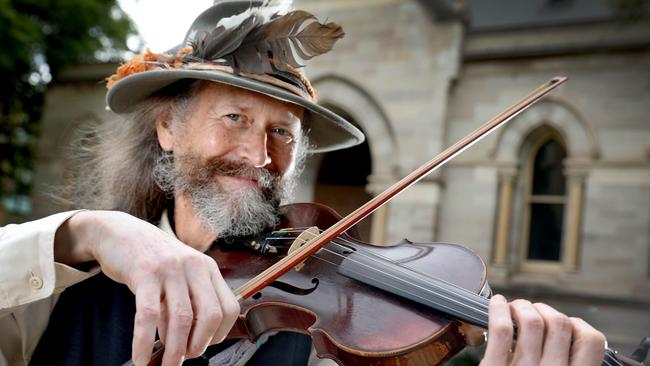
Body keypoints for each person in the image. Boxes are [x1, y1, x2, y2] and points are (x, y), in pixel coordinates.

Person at [0, 1, 606, 366]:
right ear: (167, 128)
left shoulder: (321, 340)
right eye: (234, 118)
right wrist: (85, 232)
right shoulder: (62, 286)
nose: (259, 154)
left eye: (283, 133)